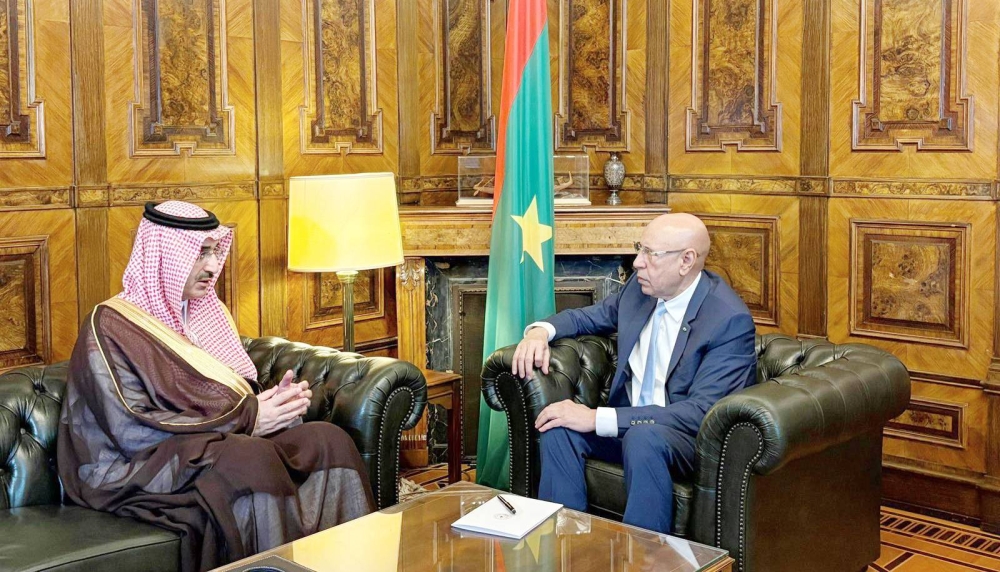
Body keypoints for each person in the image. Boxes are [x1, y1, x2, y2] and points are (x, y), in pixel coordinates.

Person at [58, 201, 374, 572]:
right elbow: (130, 426)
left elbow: (228, 393)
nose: (212, 267)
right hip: (137, 462)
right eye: (199, 254)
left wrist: (273, 404)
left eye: (213, 252)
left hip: (218, 440)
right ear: (164, 255)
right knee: (249, 459)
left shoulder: (207, 312)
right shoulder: (110, 324)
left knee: (327, 440)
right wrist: (248, 419)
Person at [511, 213, 757, 534]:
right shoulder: (641, 290)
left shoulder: (727, 320)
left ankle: (644, 555)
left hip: (685, 440)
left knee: (644, 437)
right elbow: (588, 317)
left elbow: (700, 414)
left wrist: (596, 417)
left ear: (686, 261)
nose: (637, 262)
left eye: (650, 254)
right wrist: (540, 332)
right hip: (628, 428)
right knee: (558, 424)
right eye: (640, 248)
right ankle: (565, 546)